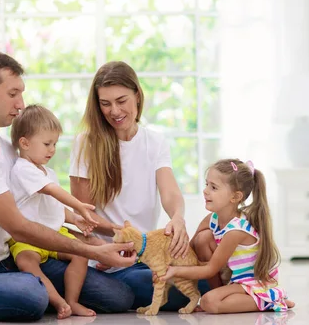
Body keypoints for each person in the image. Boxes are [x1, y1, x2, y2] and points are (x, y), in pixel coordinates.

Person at [0, 52, 137, 322]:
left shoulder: (9, 150)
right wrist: (93, 250)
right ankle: (40, 292)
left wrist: (85, 235)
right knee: (32, 295)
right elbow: (18, 226)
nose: (20, 105)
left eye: (21, 94)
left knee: (118, 296)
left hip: (5, 261)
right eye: (12, 94)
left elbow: (39, 205)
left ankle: (47, 293)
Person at [69, 60, 209, 311]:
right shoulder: (85, 143)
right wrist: (113, 244)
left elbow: (170, 192)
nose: (114, 111)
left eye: (121, 101)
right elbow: (84, 213)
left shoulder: (154, 141)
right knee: (148, 287)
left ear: (137, 96)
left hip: (145, 255)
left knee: (206, 274)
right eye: (105, 103)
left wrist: (177, 217)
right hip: (105, 258)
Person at [160, 159, 296, 313]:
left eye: (214, 187)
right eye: (207, 185)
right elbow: (190, 250)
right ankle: (222, 294)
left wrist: (174, 271)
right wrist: (165, 258)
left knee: (209, 302)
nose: (206, 191)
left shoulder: (235, 231)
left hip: (252, 283)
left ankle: (271, 299)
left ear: (235, 197)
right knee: (202, 239)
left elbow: (210, 270)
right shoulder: (212, 219)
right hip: (234, 281)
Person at [8, 104, 99, 319]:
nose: (52, 149)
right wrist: (79, 205)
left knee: (81, 253)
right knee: (27, 263)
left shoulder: (47, 171)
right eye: (47, 144)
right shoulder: (23, 169)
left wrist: (74, 218)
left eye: (55, 144)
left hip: (55, 235)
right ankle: (58, 302)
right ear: (25, 143)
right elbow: (52, 192)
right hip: (28, 238)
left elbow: (55, 206)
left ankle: (72, 301)